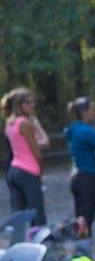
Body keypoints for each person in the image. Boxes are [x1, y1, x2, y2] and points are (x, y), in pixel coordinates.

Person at [1, 88, 47, 225]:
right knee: (37, 213)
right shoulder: (24, 123)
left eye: (33, 102)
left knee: (18, 213)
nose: (32, 105)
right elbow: (36, 152)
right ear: (19, 105)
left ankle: (18, 242)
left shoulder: (9, 123)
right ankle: (39, 244)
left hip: (14, 170)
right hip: (28, 170)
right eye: (28, 102)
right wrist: (40, 171)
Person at [65, 97, 95, 230]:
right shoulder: (85, 131)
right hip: (87, 180)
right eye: (92, 110)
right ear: (84, 112)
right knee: (86, 221)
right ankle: (83, 248)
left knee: (80, 220)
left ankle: (80, 246)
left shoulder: (73, 129)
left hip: (77, 177)